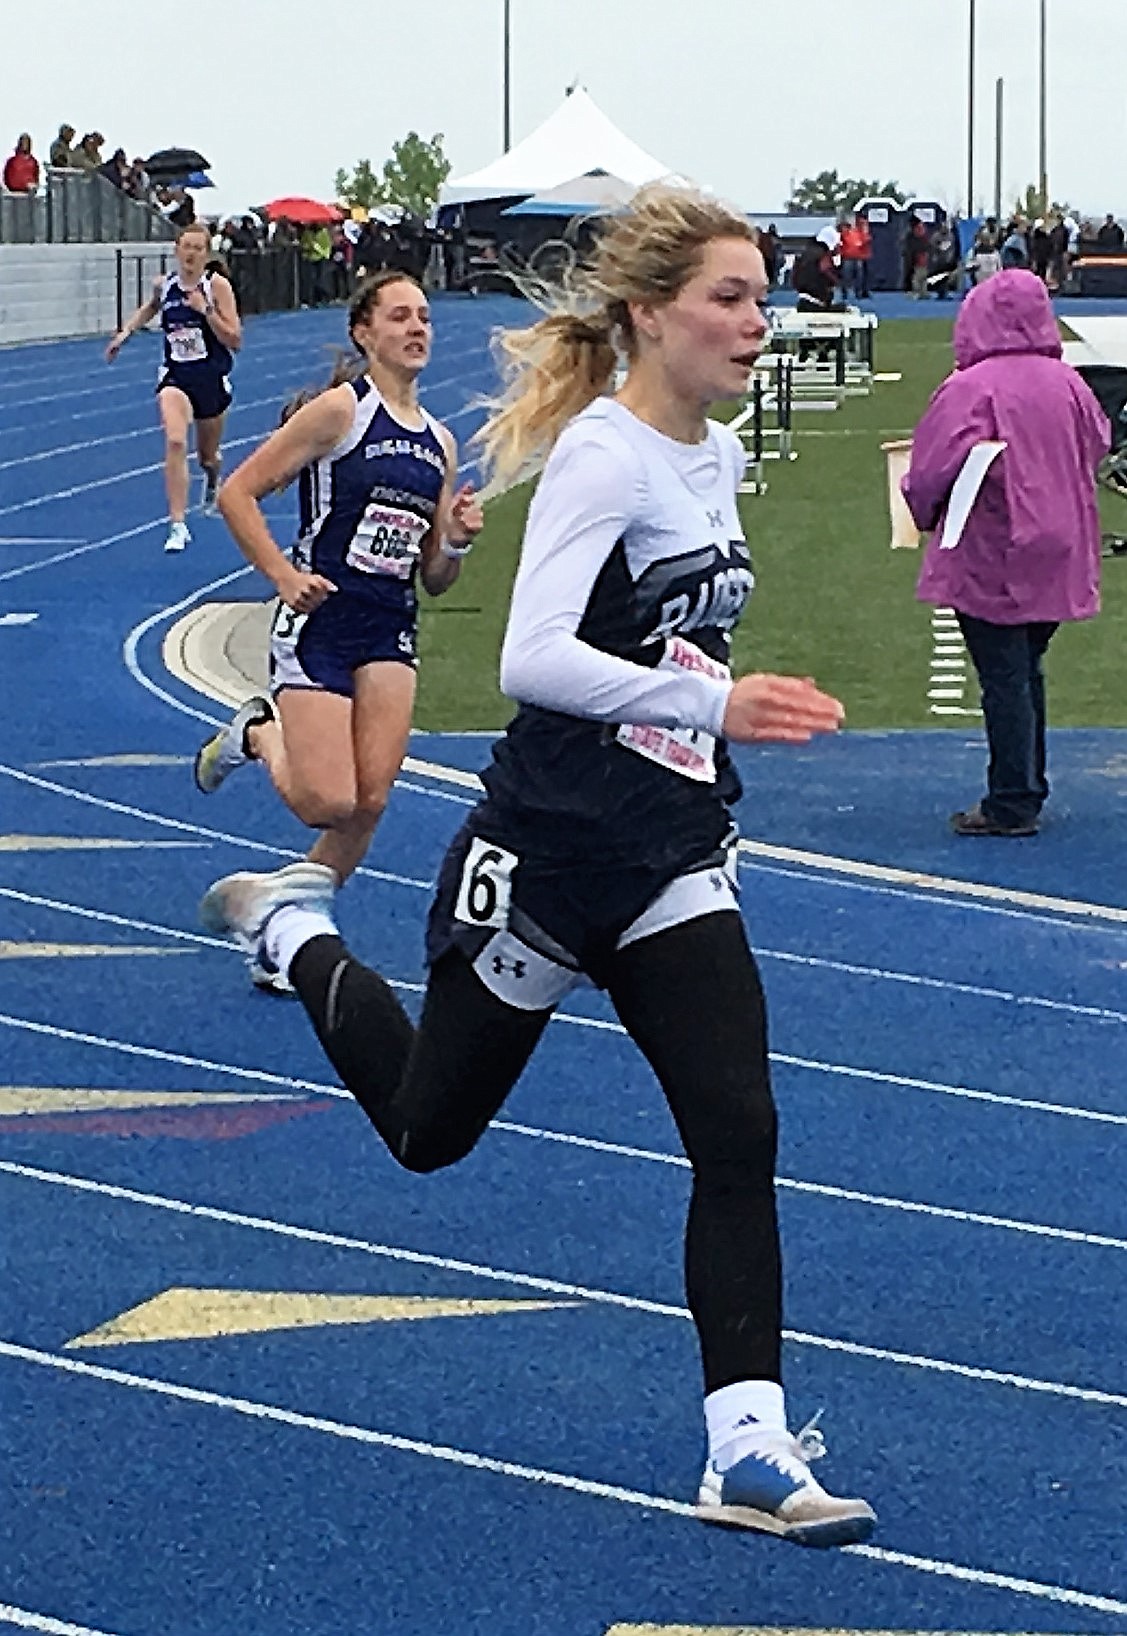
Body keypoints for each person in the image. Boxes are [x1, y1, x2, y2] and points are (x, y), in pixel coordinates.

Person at [199, 184, 876, 1547]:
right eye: (727, 299)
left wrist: (710, 712)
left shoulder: (718, 452)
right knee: (427, 1132)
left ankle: (743, 1446)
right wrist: (710, 704)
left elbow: (675, 637)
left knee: (737, 1128)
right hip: (546, 850)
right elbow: (529, 659)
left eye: (758, 296)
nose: (753, 321)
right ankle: (294, 935)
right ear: (648, 315)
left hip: (668, 849)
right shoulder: (604, 457)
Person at [193, 269, 484, 992]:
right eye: (398, 317)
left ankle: (285, 931)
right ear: (365, 332)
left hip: (389, 625)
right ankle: (257, 734)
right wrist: (285, 579)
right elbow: (237, 492)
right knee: (328, 801)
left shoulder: (440, 442)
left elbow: (434, 578)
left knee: (372, 801)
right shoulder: (339, 412)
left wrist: (453, 540)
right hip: (321, 618)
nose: (416, 329)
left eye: (423, 317)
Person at [903, 269, 1110, 835]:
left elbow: (930, 470)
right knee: (1025, 667)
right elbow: (1098, 442)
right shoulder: (1069, 381)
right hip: (1060, 542)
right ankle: (1027, 784)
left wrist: (921, 515)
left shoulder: (971, 386)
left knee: (1003, 675)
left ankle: (1012, 799)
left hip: (995, 543)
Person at [105, 221, 241, 552]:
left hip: (210, 378)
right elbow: (151, 306)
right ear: (176, 249)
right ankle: (177, 525)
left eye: (198, 248)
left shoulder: (216, 287)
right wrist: (126, 331)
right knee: (176, 439)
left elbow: (235, 339)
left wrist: (205, 311)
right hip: (175, 377)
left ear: (207, 254)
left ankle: (212, 476)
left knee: (207, 455)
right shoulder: (165, 284)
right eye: (186, 246)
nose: (191, 254)